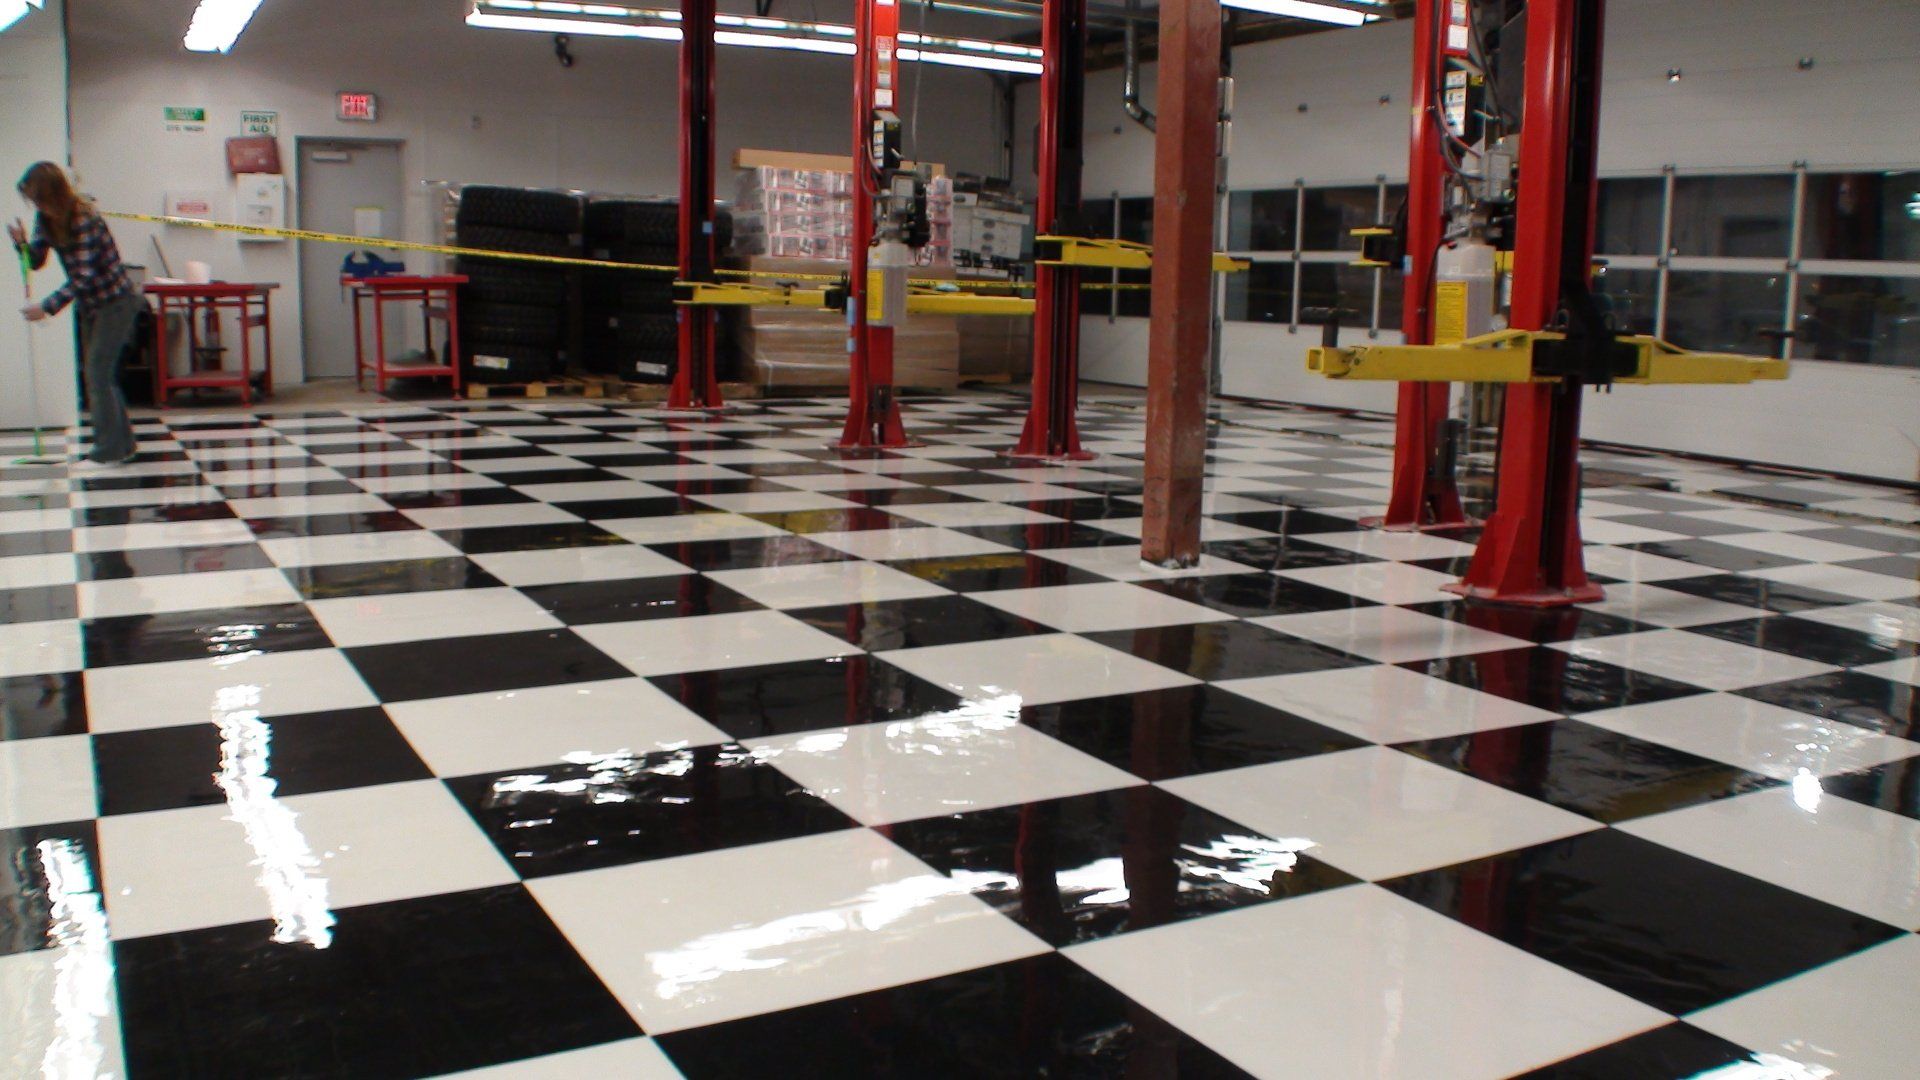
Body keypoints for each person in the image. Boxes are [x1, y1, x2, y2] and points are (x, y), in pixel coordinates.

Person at [9, 162, 139, 465]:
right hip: (92, 305)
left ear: (55, 192)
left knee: (97, 374)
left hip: (116, 302)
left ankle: (106, 452)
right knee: (100, 375)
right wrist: (22, 245)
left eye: (40, 198)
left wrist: (47, 307)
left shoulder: (84, 218)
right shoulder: (47, 217)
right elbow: (37, 260)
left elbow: (84, 276)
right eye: (33, 201)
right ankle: (123, 446)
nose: (37, 206)